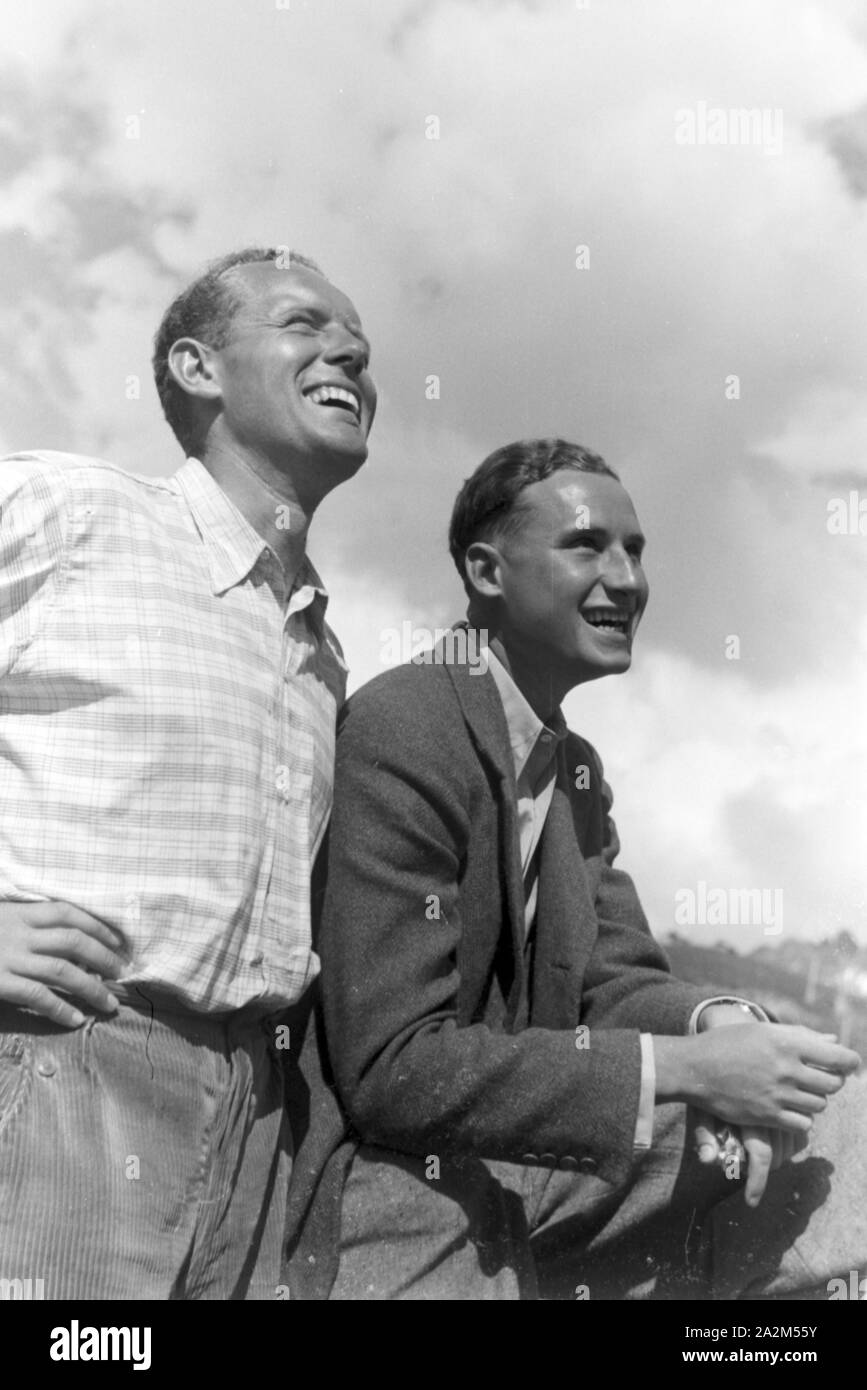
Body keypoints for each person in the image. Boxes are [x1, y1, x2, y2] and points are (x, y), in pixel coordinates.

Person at [284, 437, 864, 1301]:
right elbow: (392, 1069)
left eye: (634, 550)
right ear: (486, 571)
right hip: (394, 1177)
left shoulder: (573, 772)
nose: (626, 579)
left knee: (839, 1122)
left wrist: (727, 1028)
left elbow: (616, 980)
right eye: (586, 546)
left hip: (528, 1157)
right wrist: (685, 1074)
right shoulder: (404, 728)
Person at [0, 245, 376, 1299]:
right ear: (198, 366)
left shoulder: (322, 651)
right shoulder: (68, 515)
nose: (348, 347)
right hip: (65, 1067)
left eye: (360, 342)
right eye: (305, 323)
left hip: (255, 1128)